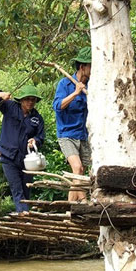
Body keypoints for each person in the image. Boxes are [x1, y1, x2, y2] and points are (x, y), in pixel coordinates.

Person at [0, 85, 45, 212]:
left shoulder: (37, 118)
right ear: (21, 100)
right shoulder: (10, 107)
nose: (30, 102)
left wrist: (35, 140)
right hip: (8, 156)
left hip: (27, 160)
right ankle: (24, 215)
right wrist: (2, 94)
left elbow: (41, 137)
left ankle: (24, 214)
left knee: (26, 189)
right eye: (27, 99)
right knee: (17, 189)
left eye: (33, 100)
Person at [53, 47, 92, 202]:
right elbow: (57, 106)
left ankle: (70, 207)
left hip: (84, 134)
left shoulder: (93, 84)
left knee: (81, 173)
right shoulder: (65, 84)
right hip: (67, 134)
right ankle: (84, 202)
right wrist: (76, 92)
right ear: (82, 67)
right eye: (90, 66)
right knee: (78, 168)